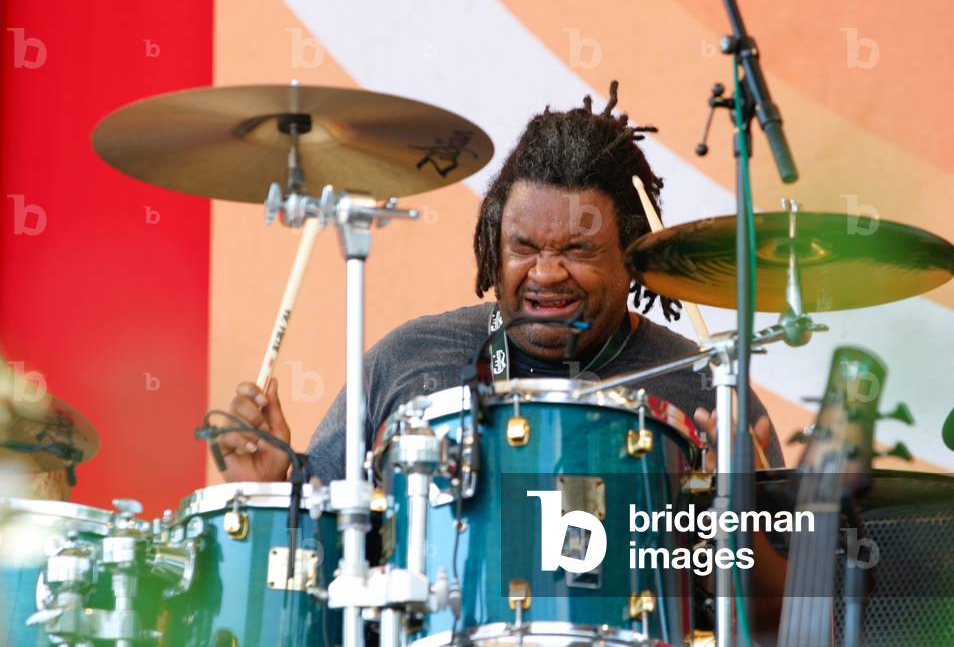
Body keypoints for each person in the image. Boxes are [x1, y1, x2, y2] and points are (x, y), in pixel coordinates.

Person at [213, 81, 784, 484]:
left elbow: (786, 603)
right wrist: (266, 490)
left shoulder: (706, 393)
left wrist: (745, 513)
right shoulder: (406, 363)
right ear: (494, 244)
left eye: (577, 250)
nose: (546, 273)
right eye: (524, 248)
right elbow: (316, 563)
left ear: (632, 254)